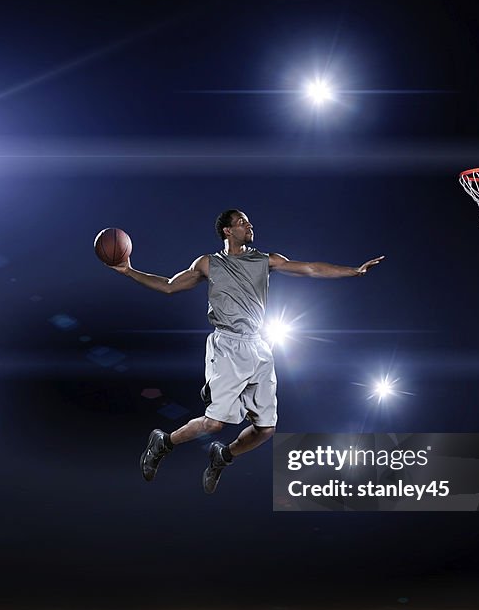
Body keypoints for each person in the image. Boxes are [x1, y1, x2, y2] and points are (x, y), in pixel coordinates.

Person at [108, 209, 384, 493]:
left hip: (259, 346)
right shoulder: (208, 263)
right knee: (215, 423)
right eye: (241, 222)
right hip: (226, 344)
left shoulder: (265, 260)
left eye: (249, 221)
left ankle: (222, 456)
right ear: (227, 231)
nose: (249, 225)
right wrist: (129, 271)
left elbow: (311, 268)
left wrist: (354, 270)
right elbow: (168, 286)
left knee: (266, 429)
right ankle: (163, 443)